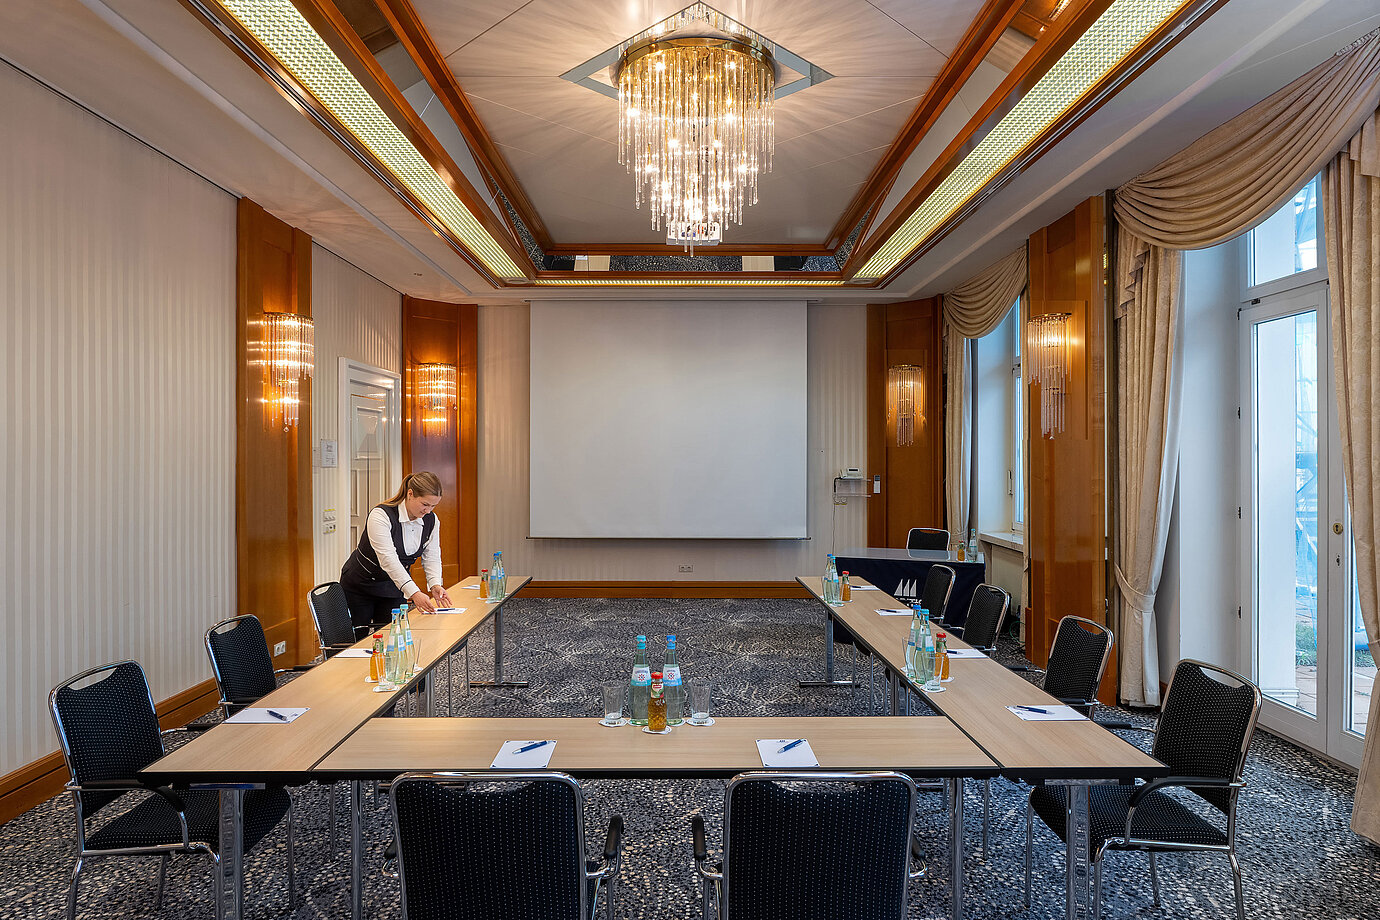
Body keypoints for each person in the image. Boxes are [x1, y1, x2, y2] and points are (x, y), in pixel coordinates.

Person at [340, 471, 453, 629]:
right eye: (425, 504)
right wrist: (414, 593)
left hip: (394, 585)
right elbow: (388, 560)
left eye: (433, 506)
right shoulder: (380, 515)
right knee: (357, 639)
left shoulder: (431, 520)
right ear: (410, 494)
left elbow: (432, 555)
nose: (428, 511)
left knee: (394, 634)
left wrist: (435, 584)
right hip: (360, 585)